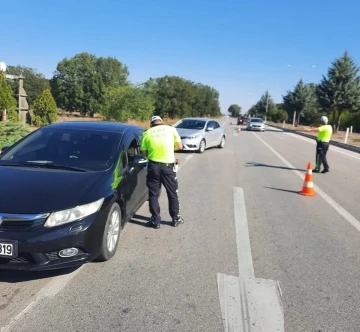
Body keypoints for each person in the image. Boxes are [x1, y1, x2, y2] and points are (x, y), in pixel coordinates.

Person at [140, 115, 184, 229]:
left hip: (153, 166)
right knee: (172, 193)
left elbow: (143, 153)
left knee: (153, 194)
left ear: (151, 124)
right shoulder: (171, 129)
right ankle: (175, 219)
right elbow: (180, 146)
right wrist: (169, 148)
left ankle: (155, 221)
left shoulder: (146, 133)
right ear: (162, 122)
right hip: (168, 167)